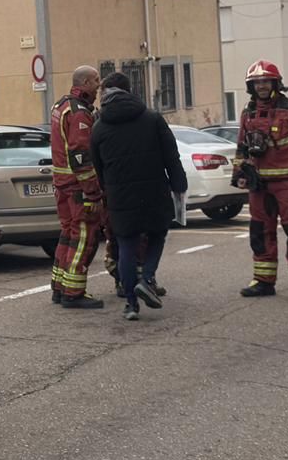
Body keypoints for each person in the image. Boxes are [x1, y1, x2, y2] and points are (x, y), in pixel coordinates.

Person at [90, 72, 189, 321]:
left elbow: (97, 165)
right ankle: (146, 279)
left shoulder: (99, 126)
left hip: (119, 195)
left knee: (126, 244)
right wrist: (179, 184)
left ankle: (131, 305)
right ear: (130, 90)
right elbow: (171, 155)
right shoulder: (152, 118)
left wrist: (108, 189)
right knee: (157, 234)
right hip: (154, 190)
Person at [232, 59, 288, 301]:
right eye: (256, 82)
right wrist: (239, 173)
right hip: (258, 185)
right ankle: (263, 281)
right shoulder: (248, 113)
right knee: (260, 233)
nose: (261, 86)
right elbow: (241, 147)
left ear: (275, 83)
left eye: (265, 81)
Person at [50, 65, 106, 309]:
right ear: (83, 83)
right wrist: (93, 192)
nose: (99, 85)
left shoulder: (60, 106)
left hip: (62, 186)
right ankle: (73, 292)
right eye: (95, 80)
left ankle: (60, 287)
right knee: (83, 236)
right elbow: (80, 156)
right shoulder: (79, 113)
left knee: (68, 234)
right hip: (77, 187)